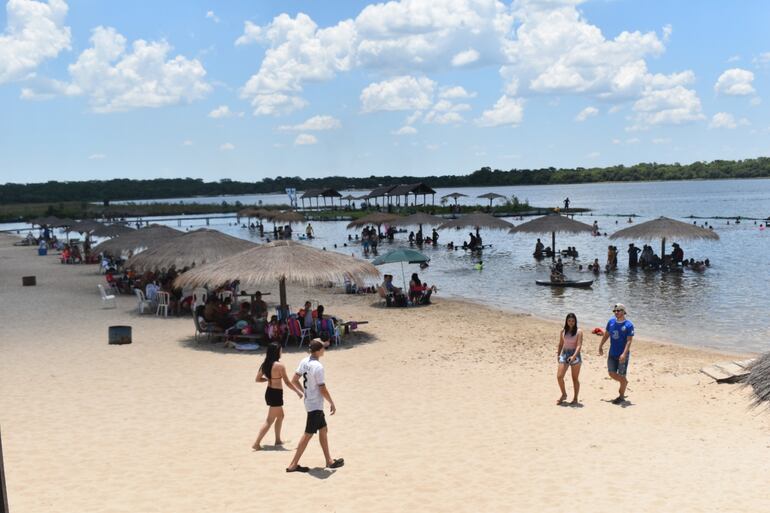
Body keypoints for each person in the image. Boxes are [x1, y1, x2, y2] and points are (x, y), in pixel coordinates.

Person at [286, 340, 344, 473]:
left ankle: (329, 461)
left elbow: (294, 380)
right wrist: (332, 402)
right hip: (315, 405)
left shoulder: (304, 361)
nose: (324, 350)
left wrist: (303, 393)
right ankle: (293, 464)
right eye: (323, 348)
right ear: (318, 351)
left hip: (309, 402)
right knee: (308, 434)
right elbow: (322, 388)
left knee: (323, 429)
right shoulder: (318, 366)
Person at [252, 343, 303, 450]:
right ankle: (256, 443)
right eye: (280, 350)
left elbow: (257, 379)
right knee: (269, 420)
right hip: (276, 394)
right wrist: (298, 392)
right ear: (276, 352)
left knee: (280, 416)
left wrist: (269, 379)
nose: (282, 351)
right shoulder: (280, 366)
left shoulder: (265, 364)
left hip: (269, 392)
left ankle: (278, 440)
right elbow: (287, 382)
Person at [598, 303, 634, 404]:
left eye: (618, 310)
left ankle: (621, 396)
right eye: (615, 311)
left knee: (621, 375)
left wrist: (624, 354)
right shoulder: (611, 322)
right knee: (611, 373)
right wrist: (601, 345)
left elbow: (629, 341)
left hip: (623, 355)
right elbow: (606, 334)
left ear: (623, 311)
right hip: (612, 353)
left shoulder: (628, 325)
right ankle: (624, 382)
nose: (616, 312)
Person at [556, 313, 583, 405]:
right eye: (569, 321)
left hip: (575, 355)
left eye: (573, 321)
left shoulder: (579, 331)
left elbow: (579, 345)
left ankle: (575, 398)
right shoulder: (563, 331)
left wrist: (574, 356)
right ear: (566, 321)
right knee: (559, 376)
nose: (571, 323)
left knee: (574, 378)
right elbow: (560, 344)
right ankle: (564, 394)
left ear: (575, 322)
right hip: (564, 354)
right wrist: (558, 355)